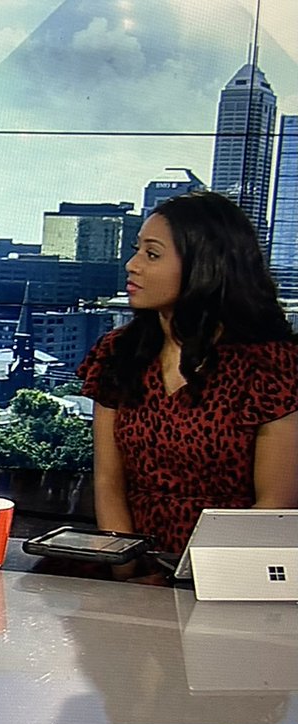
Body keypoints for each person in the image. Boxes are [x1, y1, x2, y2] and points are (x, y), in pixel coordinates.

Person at [78, 191, 298, 554]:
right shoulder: (117, 353)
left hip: (232, 567)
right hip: (131, 558)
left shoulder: (272, 368)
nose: (132, 265)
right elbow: (108, 480)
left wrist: (193, 576)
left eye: (152, 254)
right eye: (136, 250)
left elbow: (274, 509)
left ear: (203, 266)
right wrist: (126, 569)